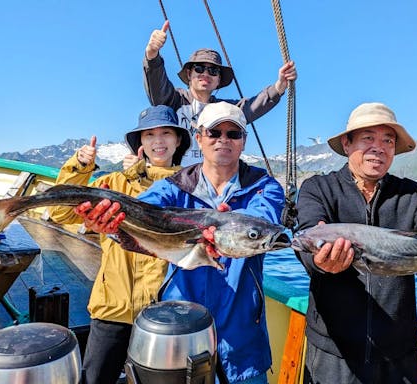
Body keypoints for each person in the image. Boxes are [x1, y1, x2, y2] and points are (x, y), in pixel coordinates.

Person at [73, 101, 285, 384]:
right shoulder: (173, 186)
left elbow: (260, 220)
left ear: (243, 141)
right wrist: (109, 223)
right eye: (214, 133)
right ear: (199, 138)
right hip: (179, 332)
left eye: (233, 134)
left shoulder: (265, 186)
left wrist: (225, 227)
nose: (223, 140)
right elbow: (143, 213)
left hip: (242, 335)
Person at [293, 102, 417, 384]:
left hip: (399, 355)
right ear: (346, 143)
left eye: (387, 140)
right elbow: (306, 239)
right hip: (334, 353)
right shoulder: (318, 188)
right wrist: (321, 262)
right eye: (368, 138)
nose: (379, 147)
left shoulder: (414, 194)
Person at [48, 105, 190, 384]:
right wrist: (79, 167)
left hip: (164, 314)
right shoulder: (113, 184)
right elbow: (60, 213)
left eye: (165, 133)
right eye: (149, 135)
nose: (158, 141)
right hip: (113, 307)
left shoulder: (189, 187)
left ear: (178, 140)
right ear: (140, 143)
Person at [143, 20, 298, 165]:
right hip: (175, 179)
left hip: (211, 181)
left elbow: (252, 107)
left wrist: (280, 85)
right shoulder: (173, 101)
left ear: (218, 81)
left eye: (213, 71)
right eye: (199, 68)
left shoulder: (225, 111)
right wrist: (152, 54)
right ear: (189, 74)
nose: (205, 74)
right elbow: (157, 83)